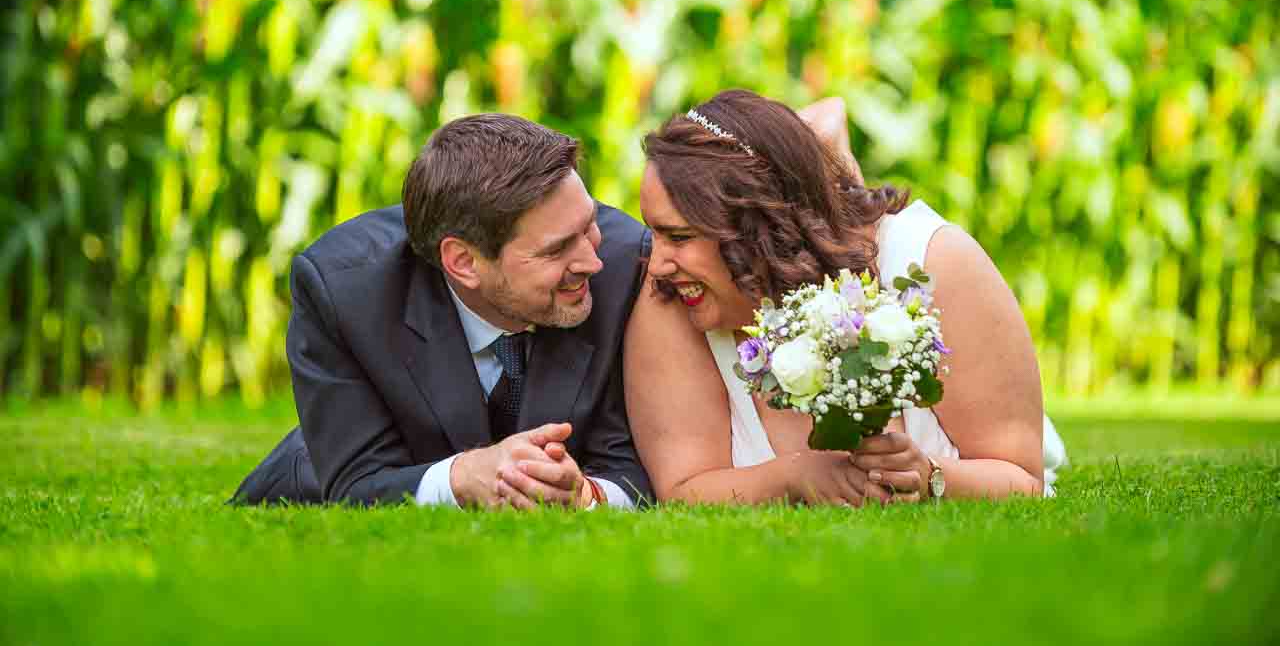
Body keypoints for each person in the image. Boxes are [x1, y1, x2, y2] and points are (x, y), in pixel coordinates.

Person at [623, 89, 1067, 506]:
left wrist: (930, 473)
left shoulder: (933, 262)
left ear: (757, 226)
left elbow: (1022, 477)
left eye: (679, 236)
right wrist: (793, 477)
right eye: (654, 231)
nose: (656, 263)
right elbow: (683, 488)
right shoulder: (671, 297)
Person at [233, 114, 652, 509]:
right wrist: (461, 477)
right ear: (464, 262)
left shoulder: (626, 265)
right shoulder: (343, 290)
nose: (591, 261)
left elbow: (640, 462)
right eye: (558, 248)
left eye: (589, 224)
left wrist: (587, 494)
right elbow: (358, 478)